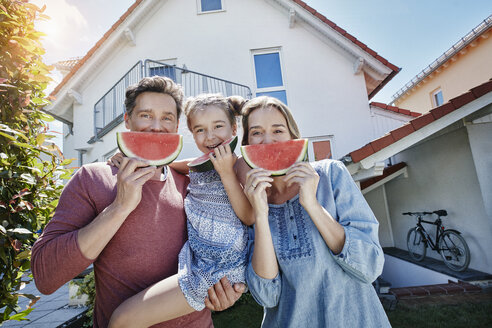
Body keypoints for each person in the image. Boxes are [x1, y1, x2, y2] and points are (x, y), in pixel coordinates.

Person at [31, 77, 245, 328]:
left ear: (176, 127)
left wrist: (222, 293)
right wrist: (119, 207)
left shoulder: (189, 184)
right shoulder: (92, 178)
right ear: (127, 121)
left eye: (166, 118)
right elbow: (46, 278)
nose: (156, 126)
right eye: (146, 115)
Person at [240, 96, 391, 327]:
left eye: (278, 130)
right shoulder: (250, 201)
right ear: (247, 143)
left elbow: (369, 266)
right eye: (257, 132)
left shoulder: (331, 174)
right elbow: (267, 296)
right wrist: (260, 214)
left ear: (293, 137)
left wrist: (311, 203)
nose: (267, 141)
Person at [107, 93, 254, 327]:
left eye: (218, 126)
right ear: (191, 133)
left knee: (122, 320)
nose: (210, 136)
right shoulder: (198, 164)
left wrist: (227, 173)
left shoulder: (241, 164)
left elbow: (250, 216)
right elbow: (162, 163)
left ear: (234, 128)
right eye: (200, 130)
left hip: (221, 271)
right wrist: (128, 155)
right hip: (200, 262)